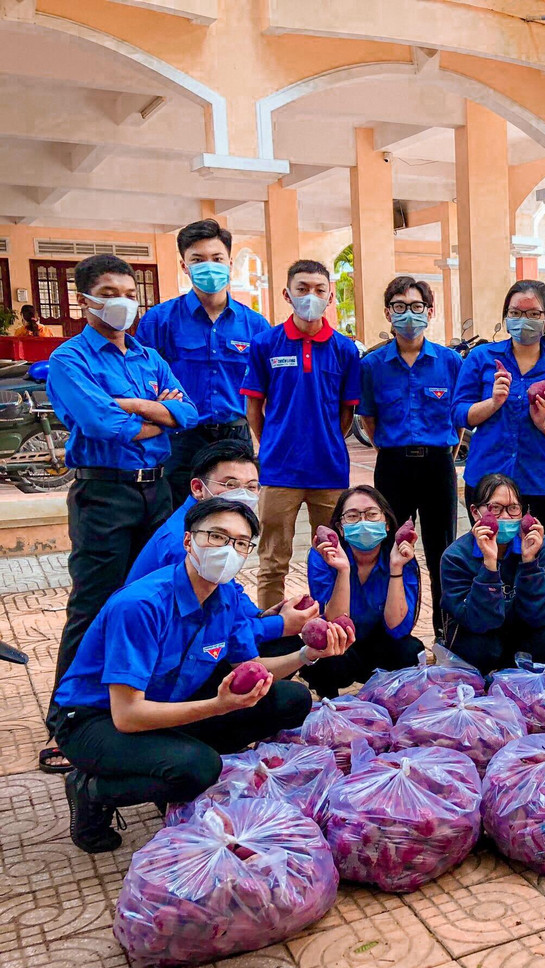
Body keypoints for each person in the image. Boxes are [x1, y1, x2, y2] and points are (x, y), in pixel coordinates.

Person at [50, 498, 350, 852]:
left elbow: (250, 668)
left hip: (167, 703)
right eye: (217, 537)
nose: (228, 550)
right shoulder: (141, 605)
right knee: (197, 769)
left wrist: (306, 654)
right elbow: (128, 715)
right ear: (189, 541)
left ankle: (167, 765)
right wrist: (219, 705)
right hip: (95, 720)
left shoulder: (226, 597)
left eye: (240, 543)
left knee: (290, 699)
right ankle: (90, 790)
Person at [46, 254, 197, 702]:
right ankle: (68, 717)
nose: (123, 305)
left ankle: (143, 700)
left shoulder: (149, 358)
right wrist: (157, 413)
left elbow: (187, 413)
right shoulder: (69, 359)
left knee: (156, 594)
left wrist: (129, 405)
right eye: (110, 295)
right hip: (105, 493)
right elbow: (101, 424)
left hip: (158, 488)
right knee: (94, 604)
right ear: (84, 301)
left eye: (131, 296)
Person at [241, 259, 362, 609]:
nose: (311, 296)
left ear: (330, 297)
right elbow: (254, 409)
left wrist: (324, 441)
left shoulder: (344, 350)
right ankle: (272, 632)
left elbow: (346, 413)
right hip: (279, 472)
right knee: (272, 562)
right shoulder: (265, 345)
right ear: (287, 294)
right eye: (302, 289)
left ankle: (330, 627)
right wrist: (275, 444)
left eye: (319, 290)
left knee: (332, 557)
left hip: (329, 472)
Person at [125, 439, 313, 655]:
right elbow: (211, 629)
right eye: (230, 485)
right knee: (280, 646)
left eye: (251, 487)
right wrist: (279, 625)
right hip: (166, 648)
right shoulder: (187, 543)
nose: (242, 495)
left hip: (192, 633)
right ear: (198, 488)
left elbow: (228, 588)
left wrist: (259, 615)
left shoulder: (212, 528)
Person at [358, 276, 463, 637]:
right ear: (388, 312)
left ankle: (446, 633)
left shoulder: (450, 362)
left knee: (443, 553)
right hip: (393, 467)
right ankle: (394, 632)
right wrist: (391, 449)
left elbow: (457, 418)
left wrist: (444, 450)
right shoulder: (372, 365)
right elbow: (369, 418)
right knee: (388, 549)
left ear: (430, 312)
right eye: (399, 307)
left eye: (416, 307)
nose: (408, 315)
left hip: (437, 465)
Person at [137, 220, 270, 499]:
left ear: (230, 263)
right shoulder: (159, 321)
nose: (209, 266)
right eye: (197, 259)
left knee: (235, 518)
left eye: (217, 258)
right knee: (177, 518)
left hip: (235, 436)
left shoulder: (255, 325)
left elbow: (268, 388)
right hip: (181, 438)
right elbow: (141, 380)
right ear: (185, 266)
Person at [452, 280, 545, 543]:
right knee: (488, 558)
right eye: (515, 313)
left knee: (536, 561)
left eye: (533, 314)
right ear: (506, 317)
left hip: (538, 482)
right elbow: (460, 413)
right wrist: (493, 403)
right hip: (486, 478)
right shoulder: (482, 358)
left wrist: (543, 422)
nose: (523, 320)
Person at [438, 472, 545, 672]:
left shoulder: (540, 546)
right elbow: (477, 621)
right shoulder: (456, 556)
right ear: (475, 512)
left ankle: (527, 677)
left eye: (513, 508)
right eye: (495, 508)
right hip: (480, 631)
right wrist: (489, 565)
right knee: (479, 649)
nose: (506, 516)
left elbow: (543, 613)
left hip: (523, 626)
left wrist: (530, 563)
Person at [302, 486, 424, 698]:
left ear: (386, 523)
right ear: (340, 527)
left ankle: (391, 701)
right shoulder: (323, 555)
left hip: (381, 641)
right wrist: (343, 569)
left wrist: (396, 567)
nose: (363, 522)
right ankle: (328, 704)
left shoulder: (401, 556)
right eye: (352, 516)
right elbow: (333, 622)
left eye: (371, 514)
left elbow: (397, 628)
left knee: (409, 651)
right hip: (342, 643)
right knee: (323, 654)